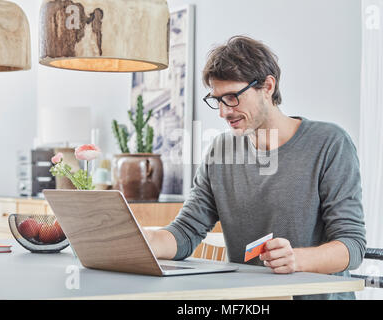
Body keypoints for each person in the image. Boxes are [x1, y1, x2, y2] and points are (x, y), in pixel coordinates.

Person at [144, 35, 366, 300]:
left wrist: (296, 259)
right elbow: (186, 232)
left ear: (268, 86)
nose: (223, 112)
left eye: (232, 97)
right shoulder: (221, 150)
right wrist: (142, 242)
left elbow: (352, 246)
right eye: (217, 100)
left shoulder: (329, 143)